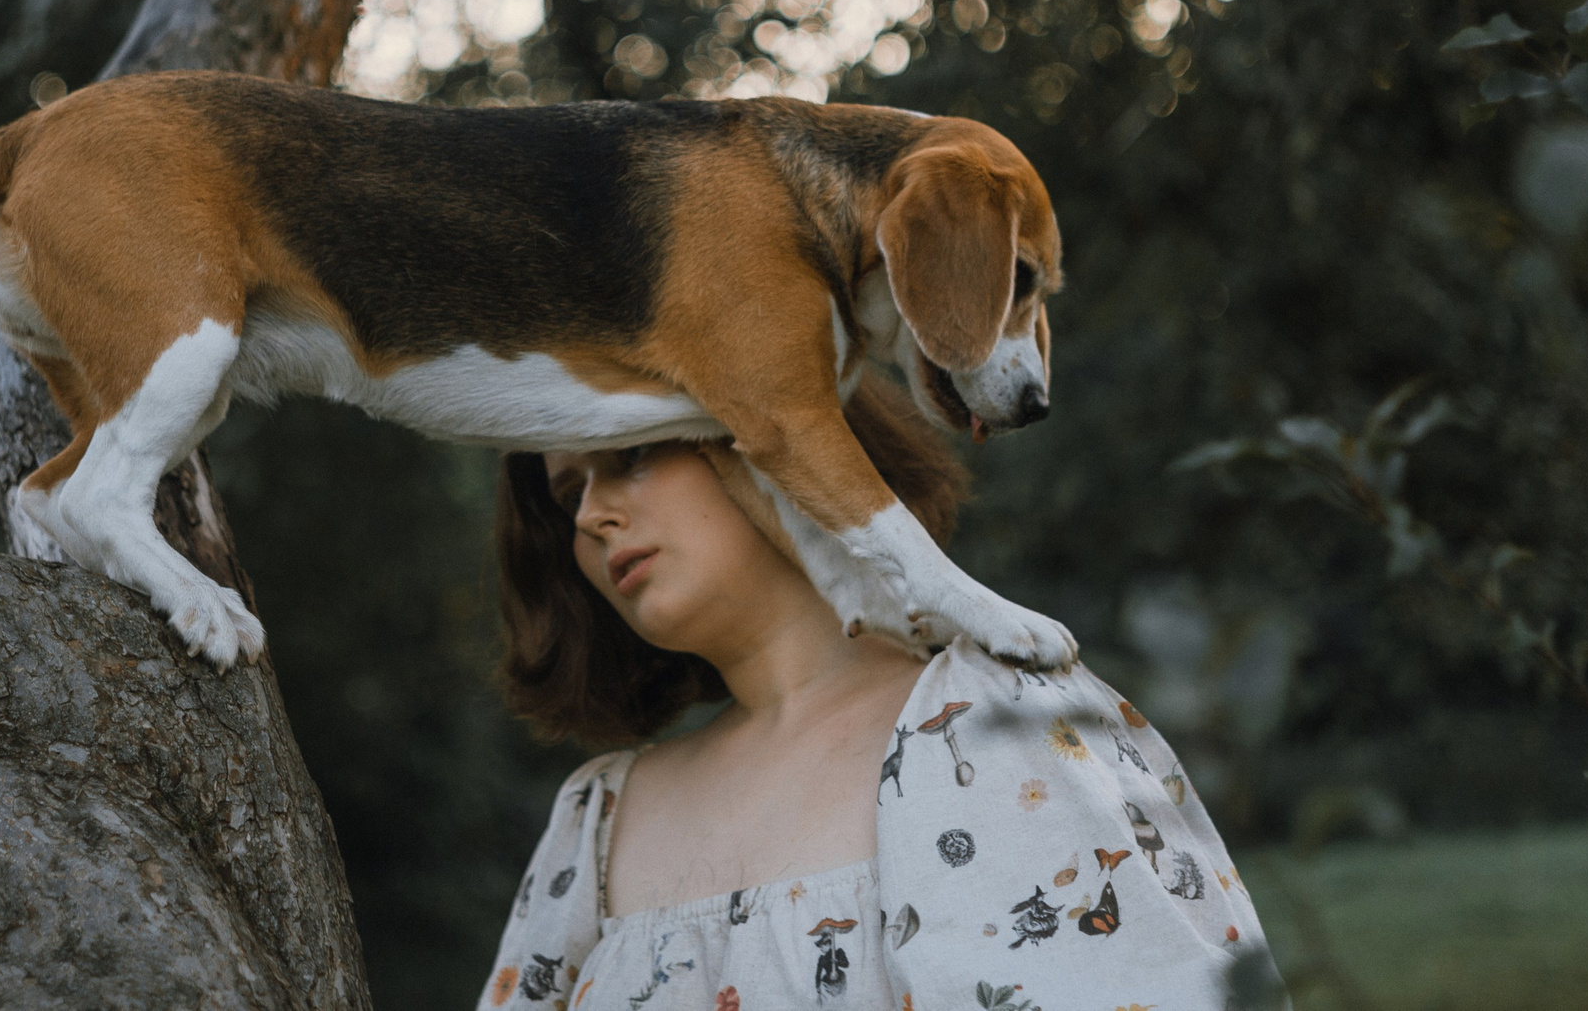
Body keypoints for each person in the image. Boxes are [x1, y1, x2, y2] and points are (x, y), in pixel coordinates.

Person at [478, 377, 1276, 1010]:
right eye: (567, 492)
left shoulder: (992, 725)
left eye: (629, 455)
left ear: (765, 426)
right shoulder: (598, 826)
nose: (591, 515)